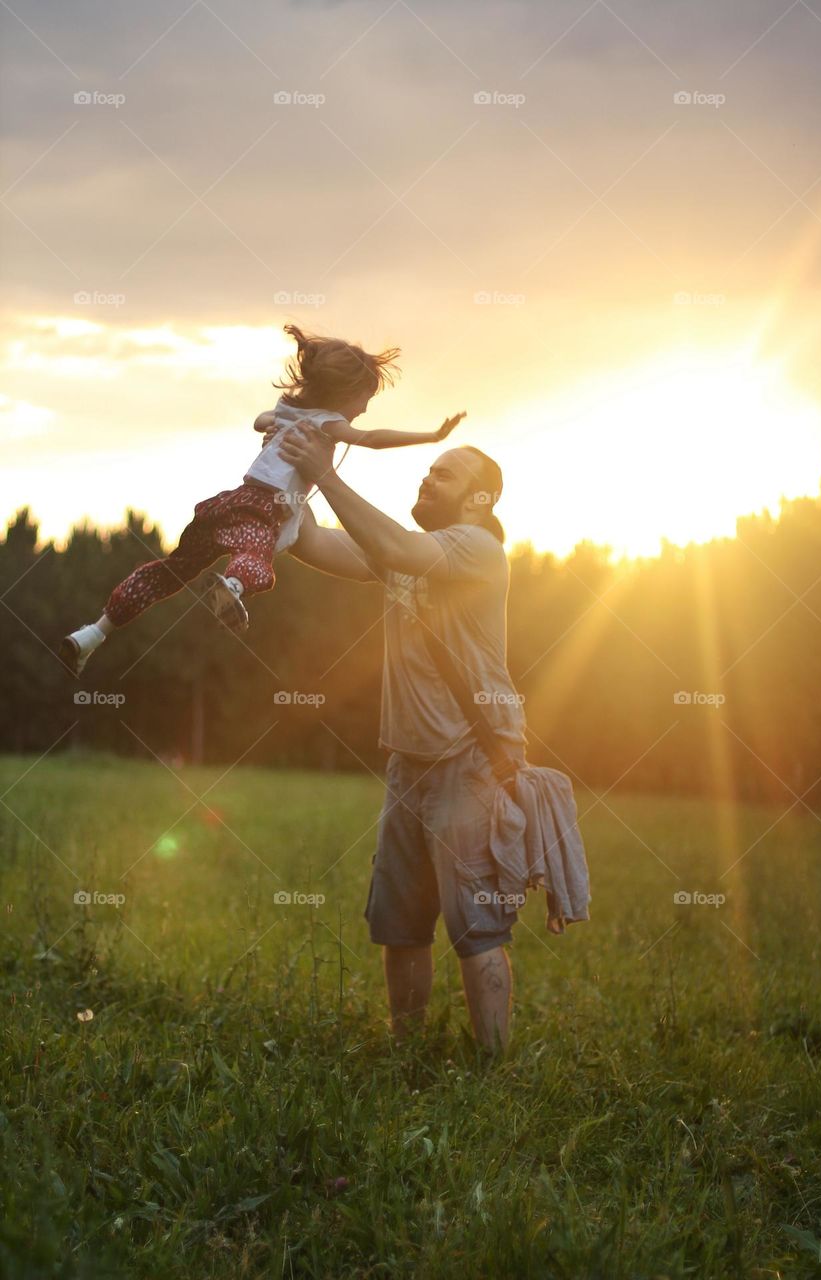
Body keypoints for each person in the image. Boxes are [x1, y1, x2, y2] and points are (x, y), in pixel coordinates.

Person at [281, 426, 527, 1050]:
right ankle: (408, 1054)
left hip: (470, 761)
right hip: (408, 765)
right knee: (401, 926)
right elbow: (312, 540)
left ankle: (494, 1073)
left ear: (480, 500)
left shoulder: (477, 549)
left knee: (476, 929)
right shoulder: (405, 553)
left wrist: (330, 474)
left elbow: (390, 543)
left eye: (445, 474)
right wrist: (284, 468)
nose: (427, 478)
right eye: (430, 470)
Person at [58, 324, 465, 676]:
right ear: (344, 393)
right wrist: (430, 437)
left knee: (170, 571)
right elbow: (371, 440)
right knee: (258, 562)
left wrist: (274, 425)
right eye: (363, 400)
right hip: (260, 510)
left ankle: (93, 634)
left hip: (227, 504)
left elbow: (259, 421)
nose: (363, 410)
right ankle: (233, 586)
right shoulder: (327, 422)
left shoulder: (287, 409)